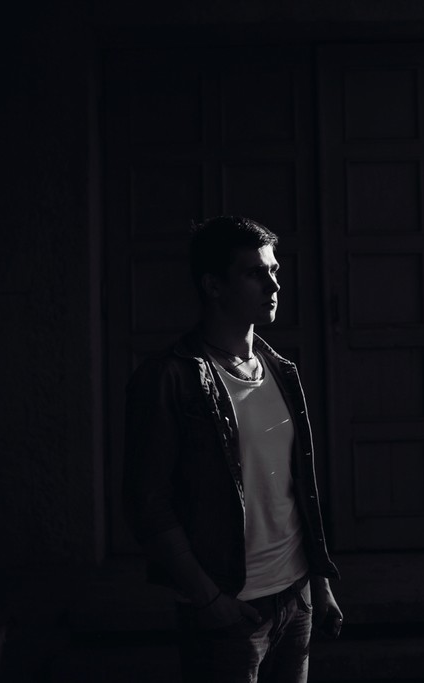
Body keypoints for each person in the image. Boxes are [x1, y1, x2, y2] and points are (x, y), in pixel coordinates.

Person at [123, 215, 343, 682]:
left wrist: (318, 584)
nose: (274, 283)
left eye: (274, 269)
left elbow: (295, 488)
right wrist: (207, 599)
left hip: (297, 596)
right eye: (254, 272)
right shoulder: (170, 378)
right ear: (214, 286)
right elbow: (148, 503)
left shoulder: (281, 369)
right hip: (229, 610)